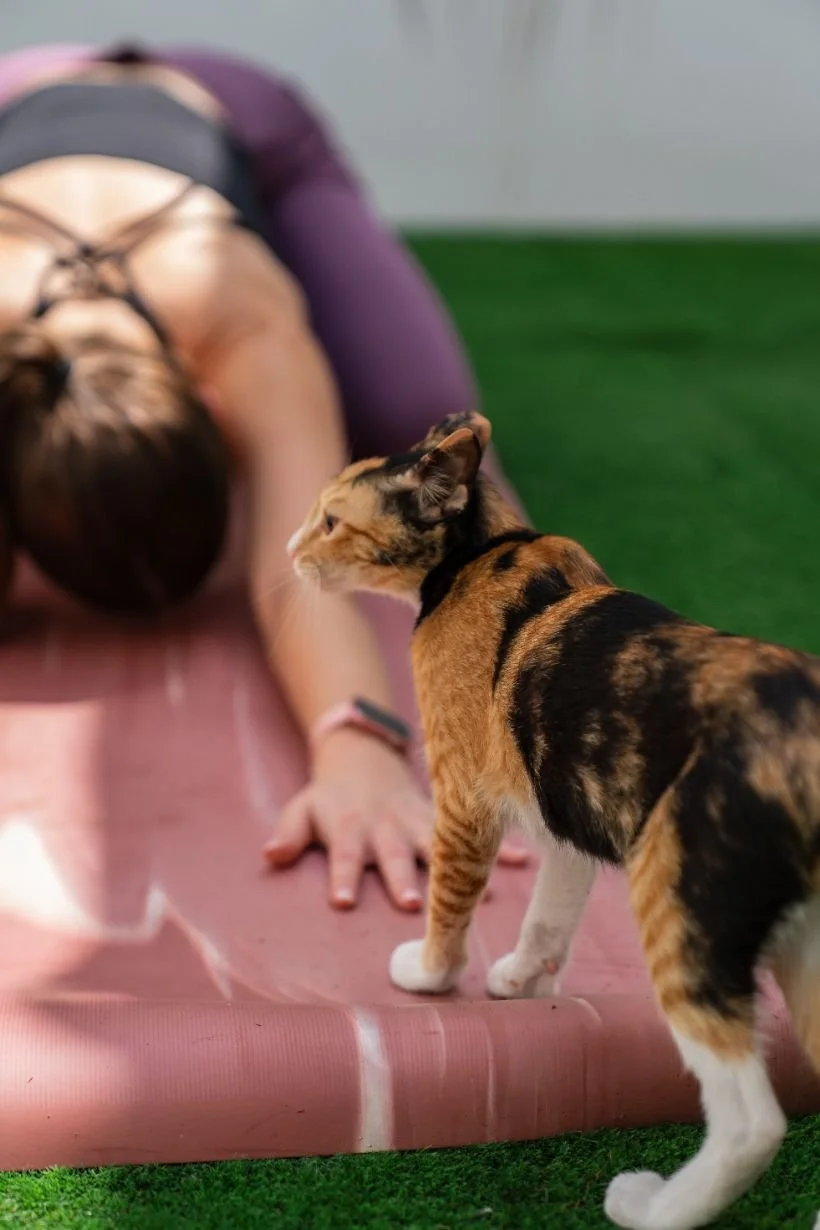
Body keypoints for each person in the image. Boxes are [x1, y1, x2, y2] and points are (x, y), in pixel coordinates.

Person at [0, 41, 528, 912]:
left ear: (213, 404)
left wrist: (358, 748)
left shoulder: (236, 307)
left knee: (418, 407)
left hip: (233, 106)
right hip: (31, 108)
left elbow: (303, 564)